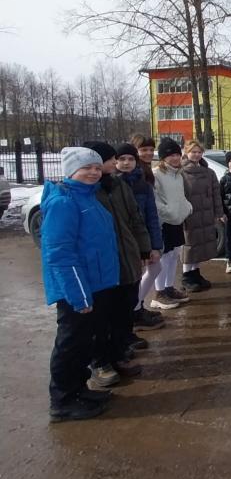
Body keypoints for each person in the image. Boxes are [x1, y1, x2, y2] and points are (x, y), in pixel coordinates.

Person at [43, 147, 119, 422]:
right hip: (77, 289)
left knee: (85, 342)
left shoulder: (89, 196)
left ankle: (79, 389)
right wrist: (79, 296)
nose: (94, 172)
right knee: (71, 344)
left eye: (97, 168)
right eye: (86, 168)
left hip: (95, 285)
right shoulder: (63, 202)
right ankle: (62, 399)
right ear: (70, 170)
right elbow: (60, 253)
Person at [83, 141, 151, 389]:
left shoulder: (119, 185)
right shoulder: (88, 191)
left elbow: (135, 218)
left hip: (128, 259)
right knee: (102, 318)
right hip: (104, 266)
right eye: (111, 159)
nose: (115, 163)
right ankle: (101, 363)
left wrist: (143, 246)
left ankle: (119, 354)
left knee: (124, 312)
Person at [115, 143, 164, 347]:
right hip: (121, 243)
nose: (126, 163)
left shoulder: (142, 183)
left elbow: (151, 216)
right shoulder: (110, 185)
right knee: (123, 287)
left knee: (141, 277)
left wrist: (154, 245)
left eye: (130, 159)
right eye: (122, 159)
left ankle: (134, 313)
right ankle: (125, 327)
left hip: (141, 239)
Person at [151, 138, 193, 310]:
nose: (175, 158)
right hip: (164, 222)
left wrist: (186, 208)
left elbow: (181, 197)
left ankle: (168, 287)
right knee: (163, 258)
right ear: (163, 157)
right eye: (171, 155)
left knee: (174, 255)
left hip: (177, 220)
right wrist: (169, 212)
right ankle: (158, 293)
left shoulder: (178, 174)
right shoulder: (156, 174)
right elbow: (155, 201)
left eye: (177, 154)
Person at [129, 134, 165, 330]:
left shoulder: (144, 171)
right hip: (140, 232)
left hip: (150, 228)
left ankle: (137, 307)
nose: (149, 153)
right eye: (144, 150)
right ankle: (134, 310)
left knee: (153, 269)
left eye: (151, 149)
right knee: (148, 270)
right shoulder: (136, 174)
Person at [180, 139, 225, 291]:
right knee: (190, 246)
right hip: (189, 216)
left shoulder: (208, 172)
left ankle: (195, 273)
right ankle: (186, 277)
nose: (196, 155)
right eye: (193, 152)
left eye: (199, 152)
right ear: (186, 152)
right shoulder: (181, 172)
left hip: (205, 215)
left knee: (200, 246)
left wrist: (218, 213)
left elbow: (215, 194)